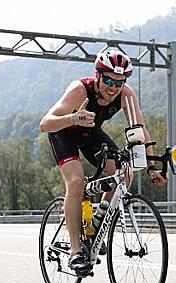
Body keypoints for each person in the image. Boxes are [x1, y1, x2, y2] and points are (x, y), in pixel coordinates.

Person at [40, 49, 167, 270]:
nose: (113, 87)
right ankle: (76, 250)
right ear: (98, 75)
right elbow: (45, 123)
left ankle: (98, 221)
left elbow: (140, 129)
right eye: (109, 80)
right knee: (76, 182)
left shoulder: (126, 94)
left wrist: (151, 166)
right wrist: (73, 118)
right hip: (64, 132)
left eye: (119, 82)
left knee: (124, 173)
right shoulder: (80, 90)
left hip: (90, 133)